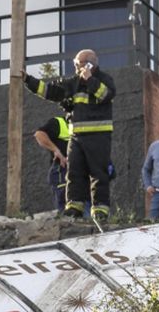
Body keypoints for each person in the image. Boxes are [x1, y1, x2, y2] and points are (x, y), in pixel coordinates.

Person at [21, 49, 116, 219]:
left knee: (98, 173)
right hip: (77, 137)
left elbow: (106, 95)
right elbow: (51, 91)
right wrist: (28, 80)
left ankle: (100, 210)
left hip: (98, 137)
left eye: (77, 64)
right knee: (74, 172)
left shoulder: (104, 79)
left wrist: (89, 79)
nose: (75, 67)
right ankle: (74, 207)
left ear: (89, 64)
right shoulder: (73, 83)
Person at [34, 112, 72, 212]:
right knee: (67, 208)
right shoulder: (59, 123)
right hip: (62, 170)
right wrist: (56, 150)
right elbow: (39, 134)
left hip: (82, 173)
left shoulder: (85, 127)